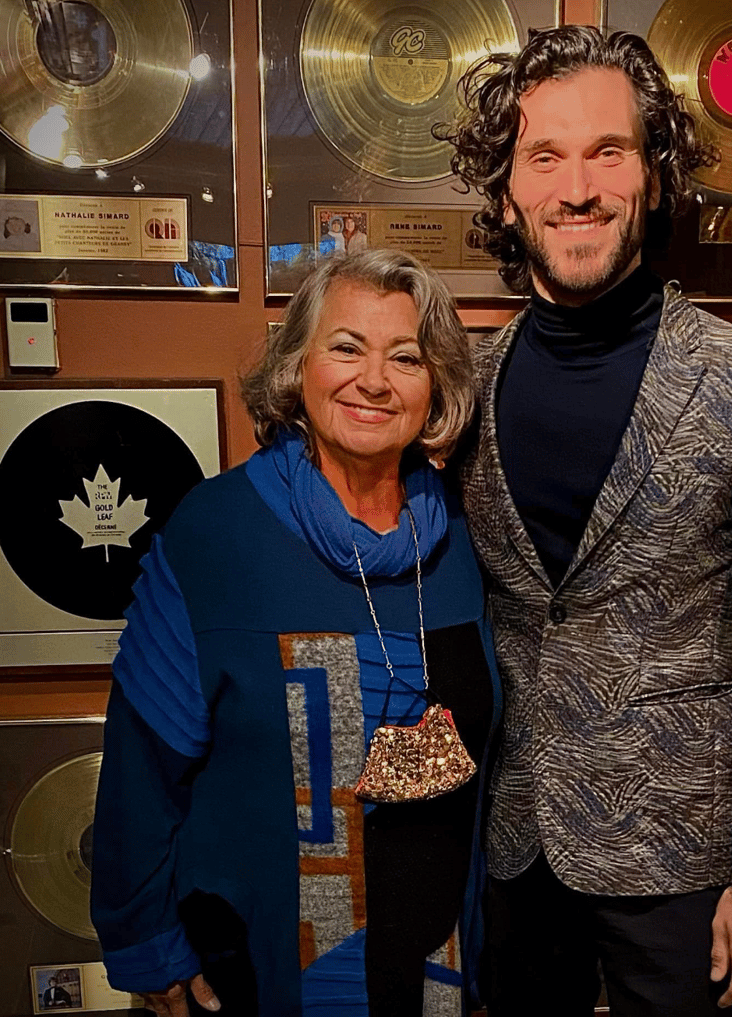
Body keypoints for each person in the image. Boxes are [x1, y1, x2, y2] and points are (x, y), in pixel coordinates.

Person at [439, 25, 732, 1015]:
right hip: (512, 843)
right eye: (545, 156)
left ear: (653, 178)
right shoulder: (458, 387)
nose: (577, 186)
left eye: (607, 151)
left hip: (681, 857)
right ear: (506, 192)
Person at [90, 249, 501, 1017]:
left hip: (435, 974)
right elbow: (141, 771)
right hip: (257, 970)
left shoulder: (466, 540)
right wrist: (147, 946)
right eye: (346, 347)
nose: (373, 380)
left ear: (435, 385)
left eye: (404, 356)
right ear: (297, 367)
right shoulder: (216, 533)